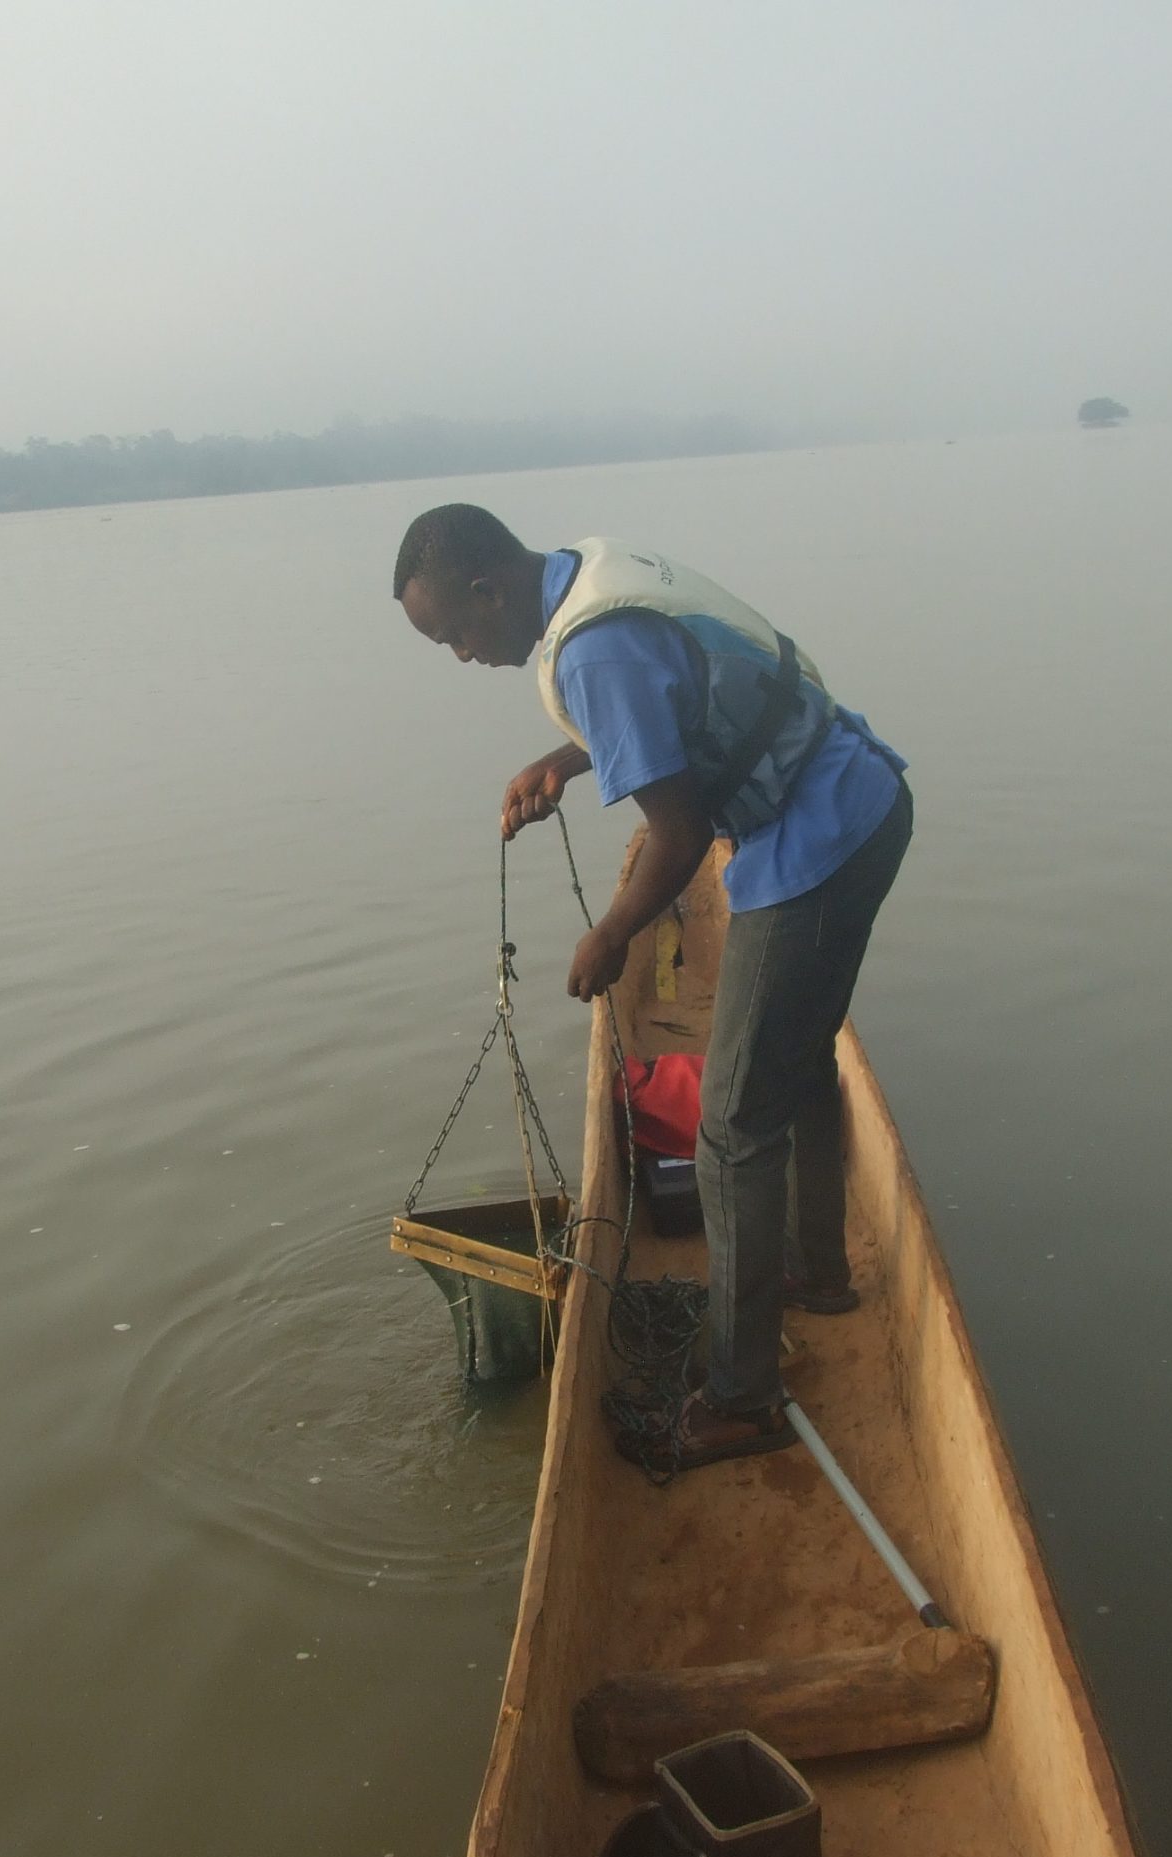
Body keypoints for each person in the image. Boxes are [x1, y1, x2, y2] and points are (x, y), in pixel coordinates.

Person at [391, 504, 912, 1471]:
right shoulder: (584, 573)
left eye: (456, 634)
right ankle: (817, 1270)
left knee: (730, 1126)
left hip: (820, 839)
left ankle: (744, 1398)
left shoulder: (592, 652)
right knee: (793, 1063)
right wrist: (568, 754)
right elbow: (666, 694)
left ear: (487, 590)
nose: (462, 656)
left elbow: (674, 837)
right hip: (861, 796)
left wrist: (614, 936)